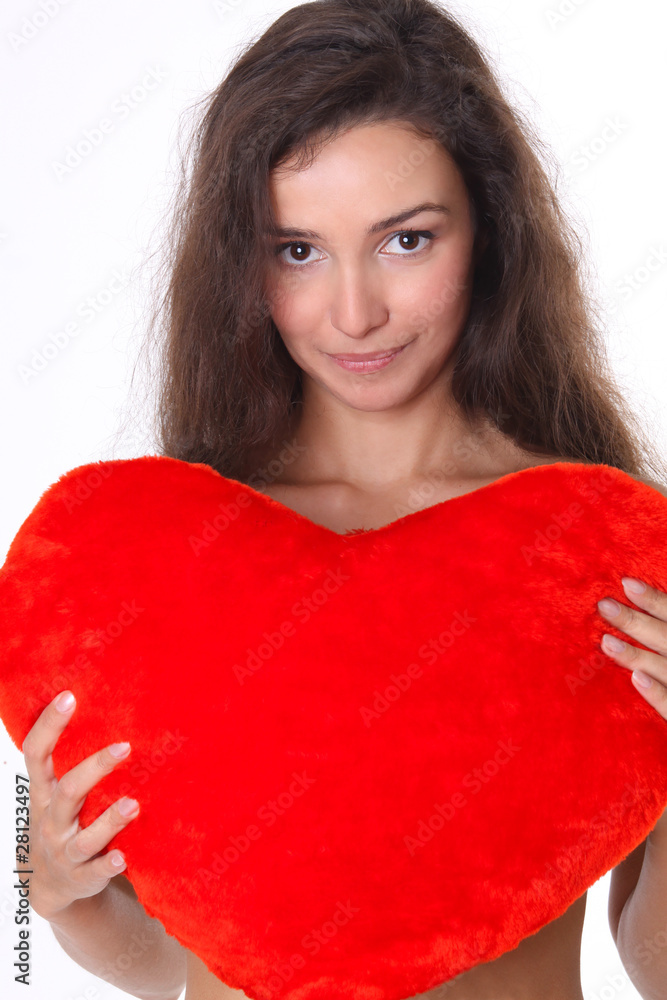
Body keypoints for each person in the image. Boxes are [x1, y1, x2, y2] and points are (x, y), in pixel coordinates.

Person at [18, 0, 667, 998]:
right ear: (241, 261)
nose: (354, 313)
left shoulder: (597, 561)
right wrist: (56, 891)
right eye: (298, 250)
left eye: (405, 241)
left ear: (489, 230)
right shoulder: (163, 563)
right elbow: (166, 965)